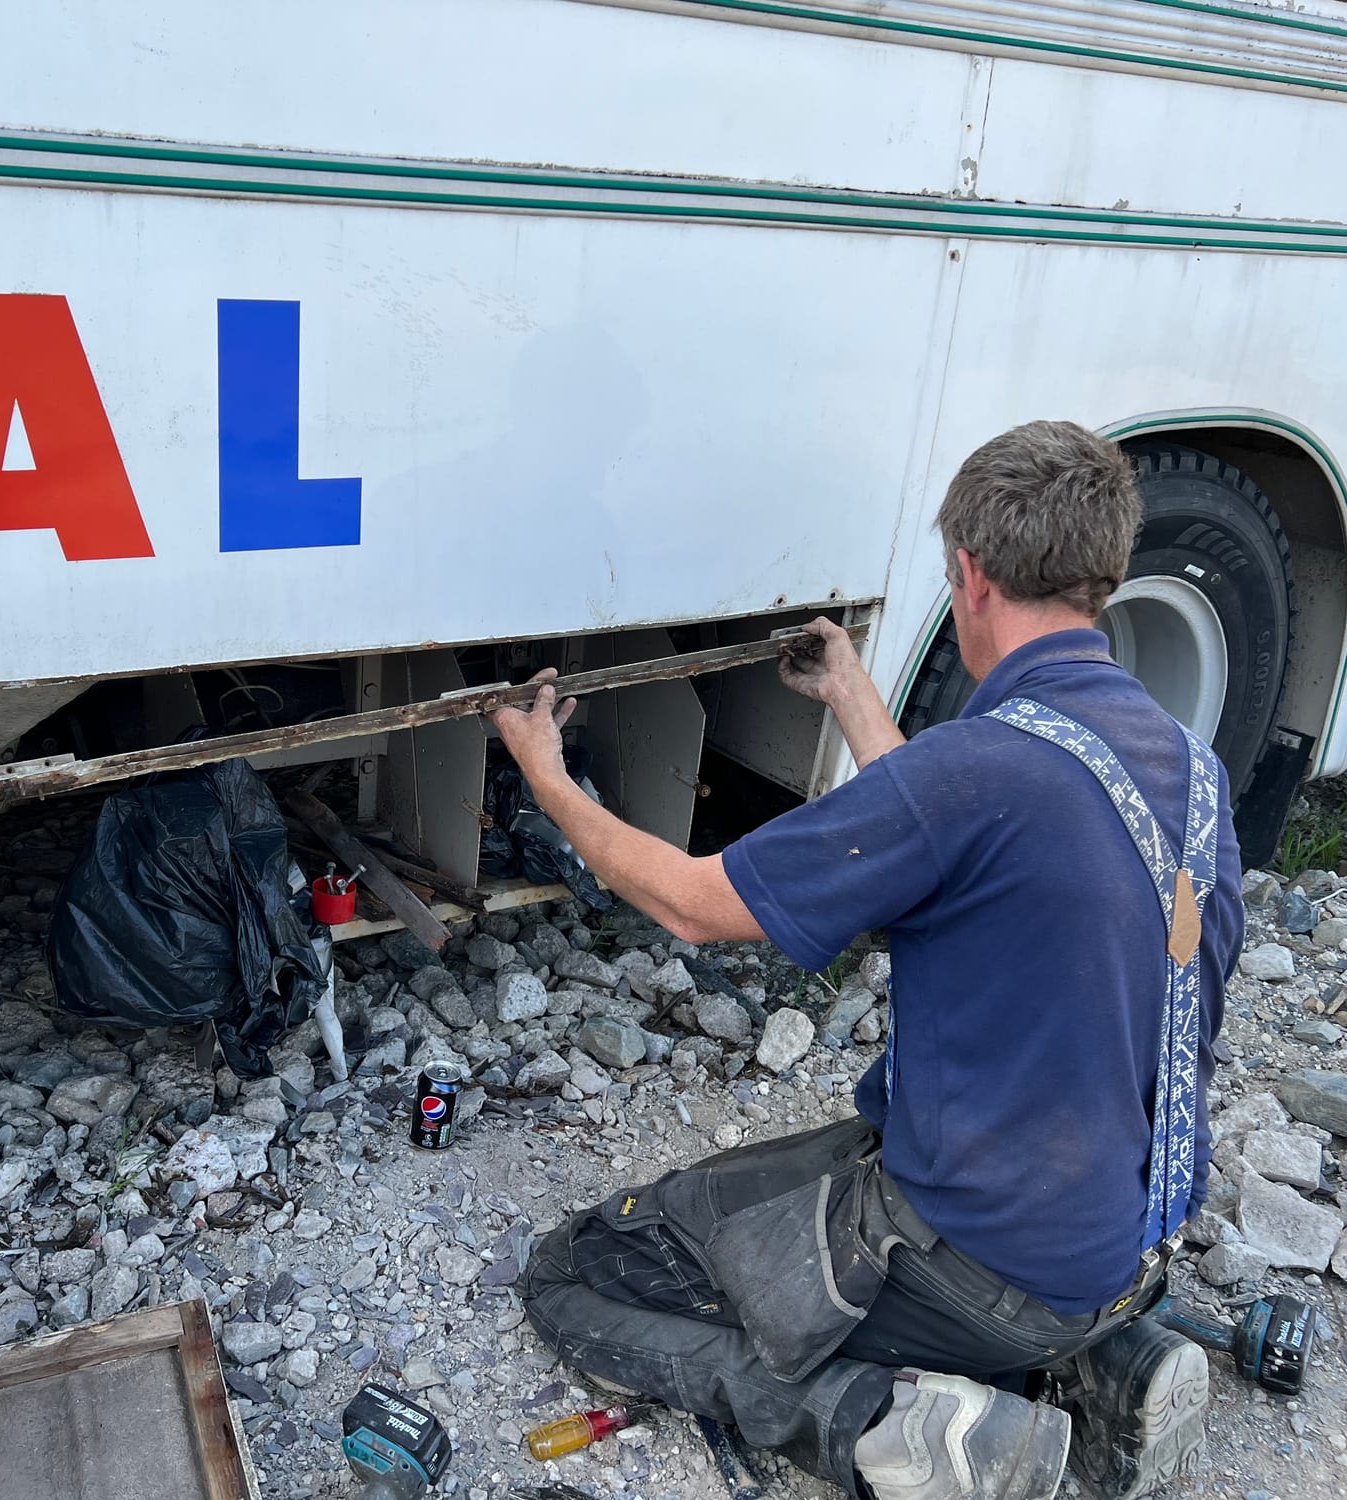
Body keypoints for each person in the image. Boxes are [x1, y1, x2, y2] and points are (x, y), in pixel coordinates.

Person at [488, 421, 1243, 1500]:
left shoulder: (975, 774)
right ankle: (1110, 1360)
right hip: (1121, 1250)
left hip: (986, 1261)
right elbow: (957, 840)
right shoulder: (1188, 768)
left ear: (969, 578)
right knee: (743, 1202)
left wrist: (547, 775)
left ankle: (891, 1430)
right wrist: (849, 695)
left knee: (573, 1272)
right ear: (1104, 576)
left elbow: (692, 909)